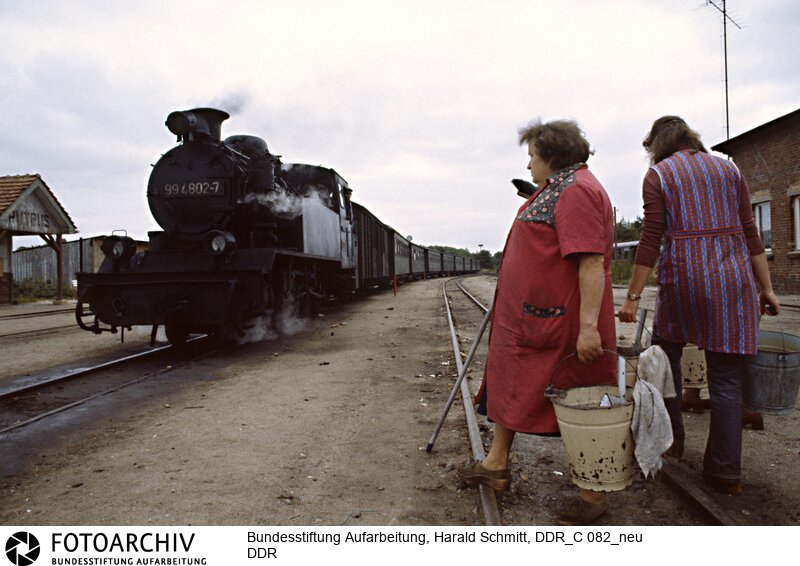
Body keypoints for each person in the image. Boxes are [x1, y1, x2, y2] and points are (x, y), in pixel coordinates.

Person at [458, 119, 617, 525]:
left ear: (551, 155)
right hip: (533, 320)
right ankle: (496, 465)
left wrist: (587, 328)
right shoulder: (558, 188)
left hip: (558, 325)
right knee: (511, 387)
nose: (529, 164)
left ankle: (592, 496)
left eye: (532, 156)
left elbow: (591, 262)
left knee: (578, 401)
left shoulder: (576, 191)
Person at [617, 115, 780, 495]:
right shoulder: (729, 170)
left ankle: (673, 441)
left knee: (666, 356)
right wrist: (767, 288)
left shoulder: (659, 176)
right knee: (725, 377)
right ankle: (725, 474)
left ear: (658, 145)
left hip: (684, 282)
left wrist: (632, 296)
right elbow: (751, 234)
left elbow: (650, 239)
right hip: (733, 282)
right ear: (691, 139)